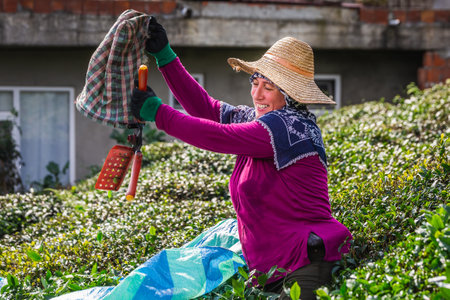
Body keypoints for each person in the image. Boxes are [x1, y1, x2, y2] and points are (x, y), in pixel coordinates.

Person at [131, 17, 352, 299]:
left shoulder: (290, 127)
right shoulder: (260, 120)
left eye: (268, 88)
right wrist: (165, 56)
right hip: (270, 271)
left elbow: (220, 137)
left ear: (291, 96)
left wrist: (159, 113)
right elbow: (206, 109)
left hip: (306, 263)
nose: (257, 94)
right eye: (255, 82)